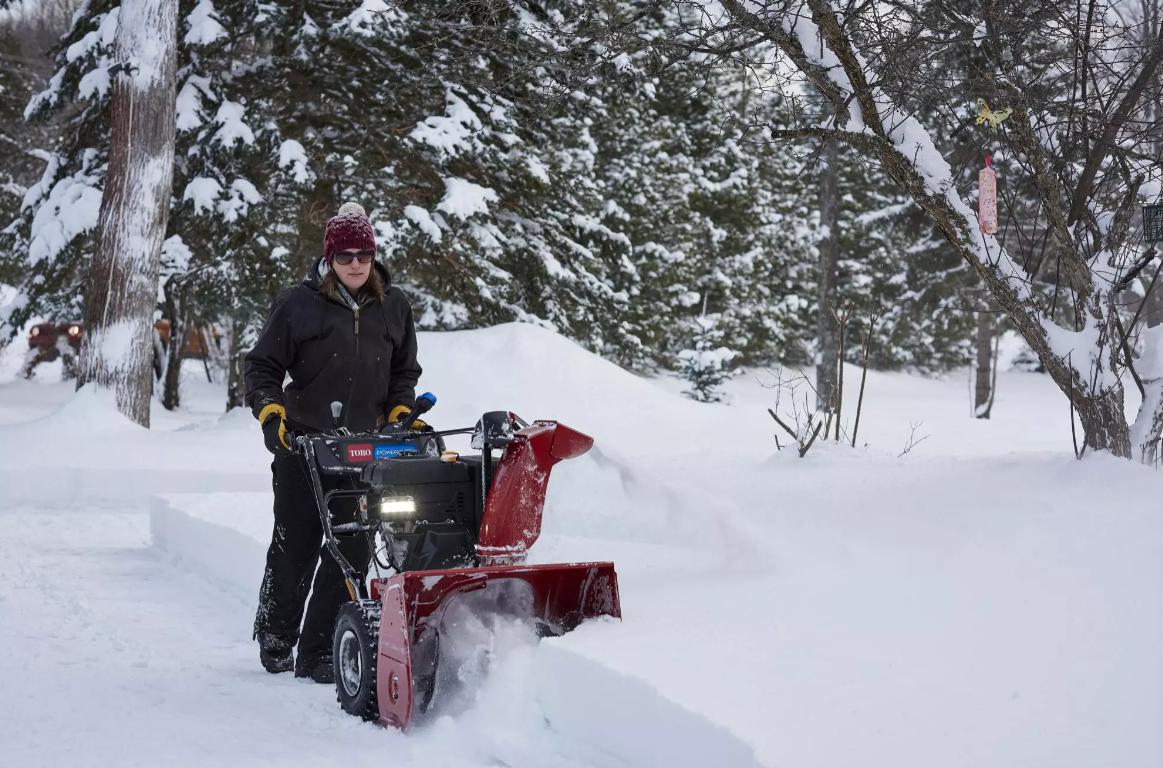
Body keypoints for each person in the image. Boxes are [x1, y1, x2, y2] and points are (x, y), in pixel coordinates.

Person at [244, 201, 422, 682]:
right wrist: (272, 414)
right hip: (303, 444)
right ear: (330, 258)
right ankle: (276, 636)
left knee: (354, 548)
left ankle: (321, 648)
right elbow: (261, 367)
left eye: (364, 254)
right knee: (296, 543)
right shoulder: (297, 304)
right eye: (345, 256)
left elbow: (404, 372)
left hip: (365, 449)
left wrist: (400, 411)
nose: (356, 264)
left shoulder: (394, 306)